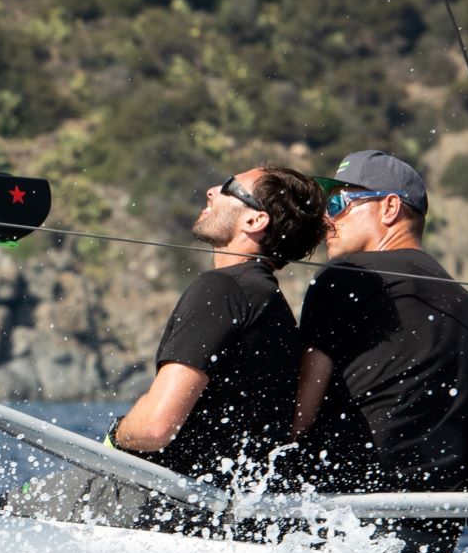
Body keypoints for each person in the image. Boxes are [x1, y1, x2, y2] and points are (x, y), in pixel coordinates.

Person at [291, 150, 468, 553]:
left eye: (340, 204)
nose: (327, 219)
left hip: (339, 525)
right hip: (433, 538)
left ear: (389, 208)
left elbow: (297, 416)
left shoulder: (346, 278)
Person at [105, 166, 325, 514]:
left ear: (255, 222)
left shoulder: (222, 289)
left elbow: (154, 428)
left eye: (229, 187)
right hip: (221, 514)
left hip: (160, 501)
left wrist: (116, 436)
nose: (211, 190)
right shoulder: (271, 305)